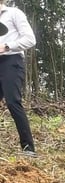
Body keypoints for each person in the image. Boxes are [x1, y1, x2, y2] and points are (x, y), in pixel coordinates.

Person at [0, 3, 36, 156]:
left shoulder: (14, 13)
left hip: (11, 61)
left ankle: (28, 148)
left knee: (13, 102)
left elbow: (30, 39)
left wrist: (7, 46)